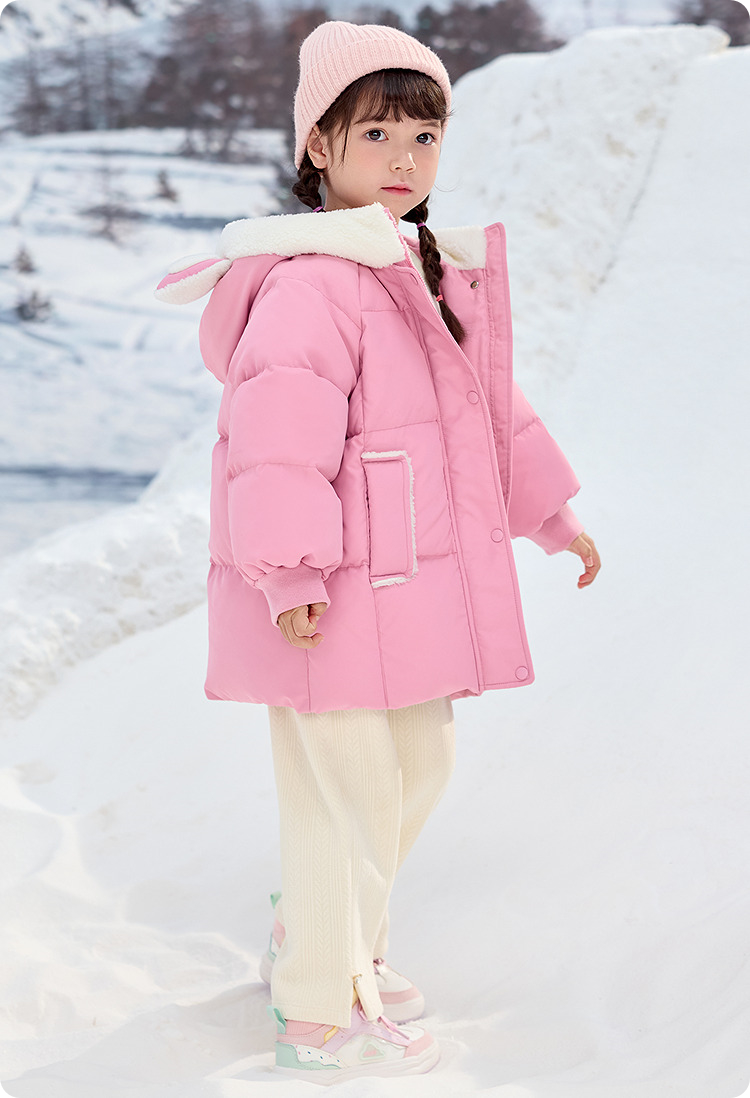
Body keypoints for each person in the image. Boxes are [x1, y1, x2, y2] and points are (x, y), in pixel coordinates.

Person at [155, 18, 601, 1083]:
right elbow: (277, 439)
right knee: (346, 795)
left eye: (424, 137)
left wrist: (550, 514)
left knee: (416, 770)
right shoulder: (311, 281)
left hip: (411, 584)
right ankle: (319, 1006)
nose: (404, 159)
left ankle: (331, 933)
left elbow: (489, 413)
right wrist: (290, 572)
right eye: (377, 135)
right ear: (319, 145)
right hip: (328, 591)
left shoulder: (417, 265)